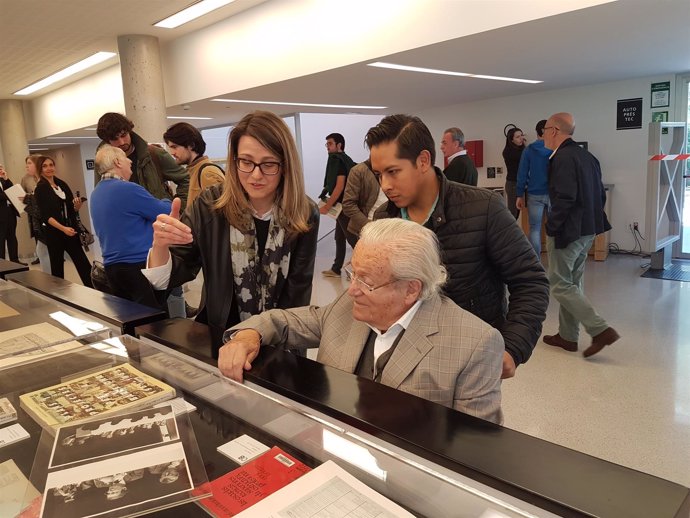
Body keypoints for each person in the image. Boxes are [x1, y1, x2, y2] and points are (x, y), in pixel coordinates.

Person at [219, 218, 503, 424]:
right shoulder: (349, 306)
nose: (351, 290)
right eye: (352, 273)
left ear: (411, 289)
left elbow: (474, 452)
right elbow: (285, 321)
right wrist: (247, 336)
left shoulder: (474, 344)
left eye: (366, 281)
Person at [367, 114, 549, 379]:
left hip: (469, 356)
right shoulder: (384, 217)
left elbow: (531, 281)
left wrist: (513, 348)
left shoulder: (483, 208)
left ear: (423, 161)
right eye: (378, 175)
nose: (385, 185)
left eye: (393, 172)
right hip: (404, 356)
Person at [142, 111, 319, 343]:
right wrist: (160, 246)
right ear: (234, 160)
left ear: (286, 165)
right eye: (246, 162)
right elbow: (172, 274)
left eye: (268, 164)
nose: (256, 175)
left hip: (279, 343)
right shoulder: (210, 205)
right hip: (219, 337)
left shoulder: (304, 213)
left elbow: (298, 293)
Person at [96, 112, 190, 317]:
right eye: (115, 139)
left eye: (124, 135)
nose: (122, 142)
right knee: (152, 315)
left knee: (167, 296)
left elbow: (185, 180)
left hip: (156, 240)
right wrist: (166, 205)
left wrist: (178, 209)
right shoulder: (121, 184)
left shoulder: (154, 154)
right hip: (140, 255)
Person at [541, 112, 619, 357]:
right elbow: (600, 194)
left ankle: (600, 329)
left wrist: (551, 226)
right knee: (572, 282)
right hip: (588, 229)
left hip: (569, 230)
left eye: (544, 129)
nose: (543, 134)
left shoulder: (562, 158)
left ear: (554, 130)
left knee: (560, 284)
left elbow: (564, 198)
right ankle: (567, 336)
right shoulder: (588, 157)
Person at [91, 145, 171, 308]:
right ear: (117, 162)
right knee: (152, 320)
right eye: (126, 158)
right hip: (138, 266)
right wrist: (167, 198)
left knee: (129, 316)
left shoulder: (96, 193)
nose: (130, 162)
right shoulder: (127, 189)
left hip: (112, 268)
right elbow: (165, 211)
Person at [33, 156, 93, 286]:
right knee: (57, 267)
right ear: (40, 169)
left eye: (51, 165)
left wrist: (77, 205)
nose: (49, 168)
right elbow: (46, 216)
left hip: (70, 230)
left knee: (83, 263)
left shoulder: (62, 184)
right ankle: (59, 295)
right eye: (45, 166)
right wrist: (63, 228)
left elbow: (72, 209)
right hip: (55, 233)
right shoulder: (41, 189)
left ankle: (94, 289)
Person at [163, 122, 224, 209]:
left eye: (174, 147)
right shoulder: (196, 171)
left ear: (191, 145)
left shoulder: (207, 173)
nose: (172, 153)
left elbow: (222, 212)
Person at [319, 132, 355, 277]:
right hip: (343, 205)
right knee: (339, 237)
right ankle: (336, 268)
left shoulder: (338, 161)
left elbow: (339, 186)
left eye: (330, 144)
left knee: (353, 239)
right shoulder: (344, 159)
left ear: (339, 145)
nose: (327, 147)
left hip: (343, 206)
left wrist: (327, 206)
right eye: (326, 144)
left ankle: (361, 269)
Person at [516, 120, 552, 257]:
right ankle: (553, 259)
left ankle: (535, 261)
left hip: (534, 194)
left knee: (535, 229)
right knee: (553, 228)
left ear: (537, 132)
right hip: (552, 194)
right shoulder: (555, 148)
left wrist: (519, 195)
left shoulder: (529, 150)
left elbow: (522, 173)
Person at [340, 159, 387, 246]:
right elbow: (348, 205)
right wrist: (369, 225)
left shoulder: (396, 167)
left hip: (393, 229)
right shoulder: (358, 171)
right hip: (370, 232)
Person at [21, 155, 49, 269]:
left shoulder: (43, 182)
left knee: (43, 251)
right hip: (38, 222)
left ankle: (52, 282)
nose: (27, 166)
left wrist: (28, 201)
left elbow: (40, 207)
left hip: (46, 223)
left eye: (29, 163)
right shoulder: (27, 178)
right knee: (42, 251)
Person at [502, 125, 526, 220]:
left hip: (520, 183)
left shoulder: (523, 150)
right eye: (518, 137)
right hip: (513, 184)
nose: (521, 138)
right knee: (513, 213)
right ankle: (507, 233)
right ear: (511, 140)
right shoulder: (509, 152)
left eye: (521, 135)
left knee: (517, 212)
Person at [0, 164, 22, 264]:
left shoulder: (3, 180)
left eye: (1, 167)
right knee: (1, 239)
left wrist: (6, 178)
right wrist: (11, 194)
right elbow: (4, 196)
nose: (0, 170)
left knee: (12, 237)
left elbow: (13, 190)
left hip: (10, 213)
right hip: (1, 215)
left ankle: (15, 260)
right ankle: (2, 263)